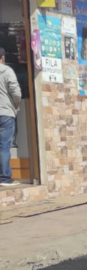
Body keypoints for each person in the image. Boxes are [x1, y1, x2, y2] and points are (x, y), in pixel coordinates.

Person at [0, 47, 21, 187]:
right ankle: (5, 177)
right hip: (5, 113)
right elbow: (16, 92)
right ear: (3, 57)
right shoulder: (7, 71)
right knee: (4, 146)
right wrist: (16, 103)